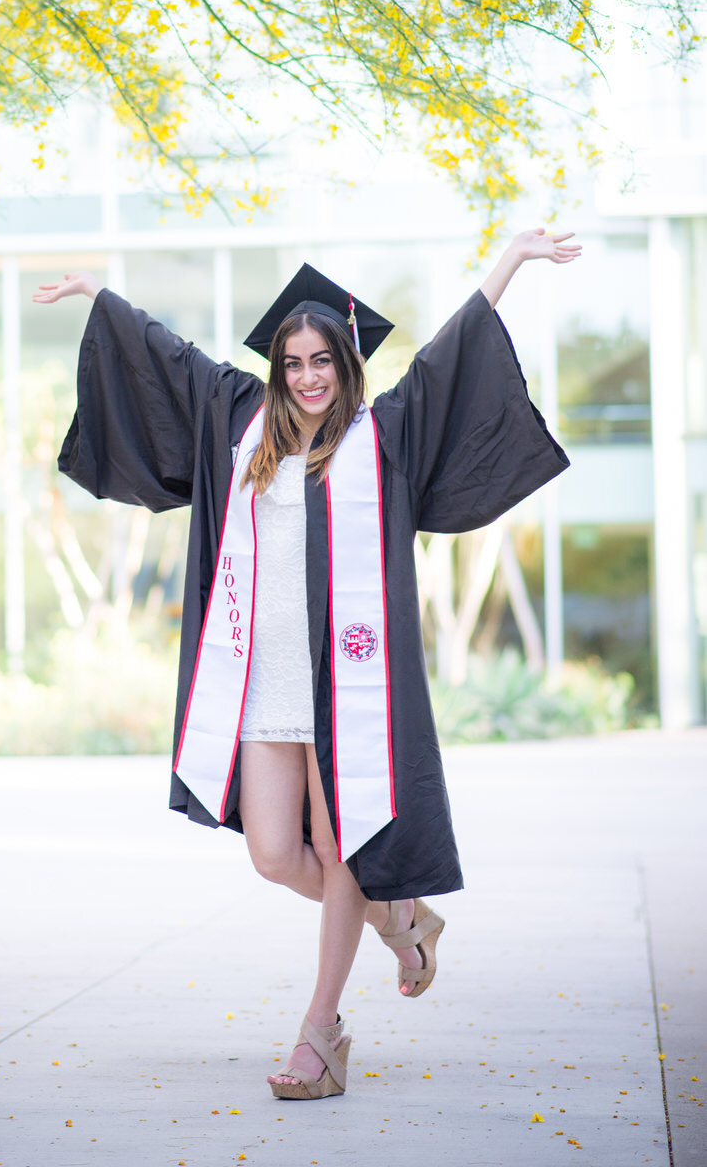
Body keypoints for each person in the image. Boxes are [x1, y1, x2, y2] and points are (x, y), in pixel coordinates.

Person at [33, 228, 579, 1102]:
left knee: (344, 846)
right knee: (276, 854)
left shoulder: (382, 433)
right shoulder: (239, 422)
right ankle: (398, 916)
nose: (308, 376)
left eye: (322, 360)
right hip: (262, 681)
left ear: (347, 364)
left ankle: (321, 1036)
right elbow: (169, 359)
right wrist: (102, 297)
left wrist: (510, 260)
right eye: (293, 361)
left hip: (344, 687)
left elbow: (451, 353)